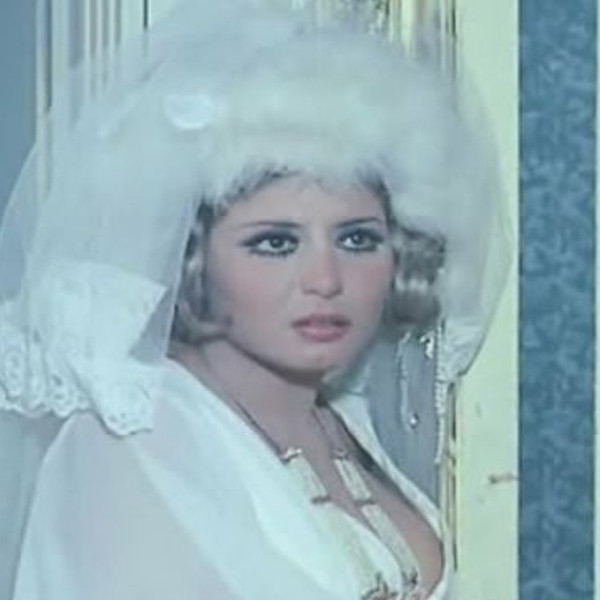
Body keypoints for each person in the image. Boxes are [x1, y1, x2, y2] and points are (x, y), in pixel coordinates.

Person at [0, 1, 509, 599]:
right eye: (275, 243)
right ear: (193, 254)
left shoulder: (349, 423)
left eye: (357, 239)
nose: (325, 279)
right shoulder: (129, 443)